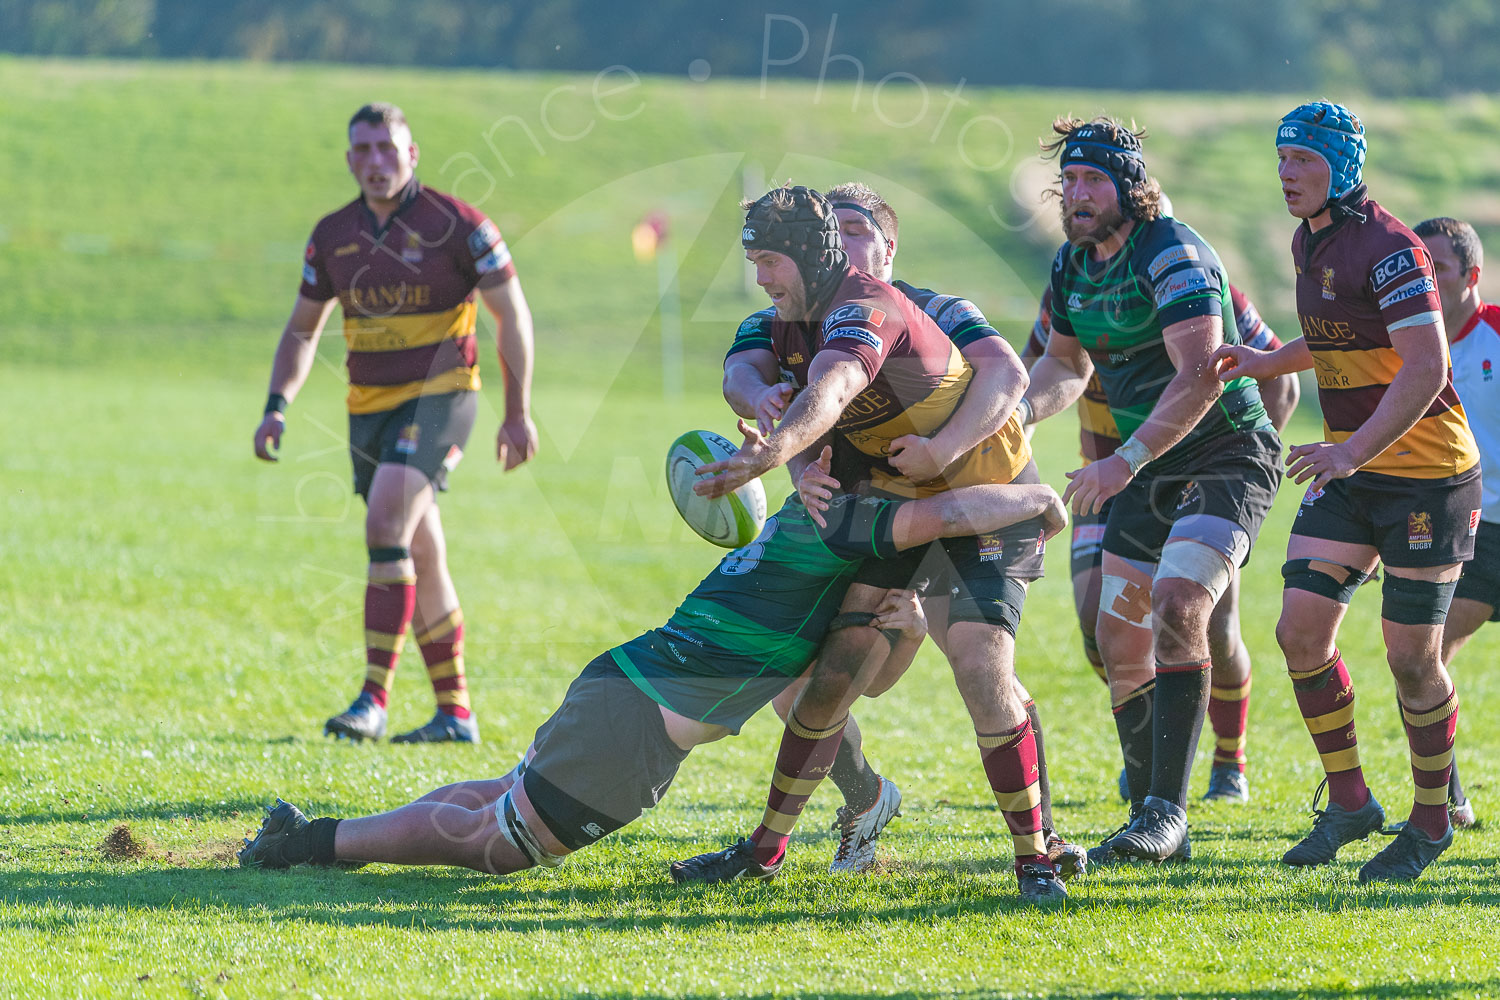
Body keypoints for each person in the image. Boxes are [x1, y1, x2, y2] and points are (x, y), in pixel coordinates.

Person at [237, 456, 1069, 898]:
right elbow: (953, 514)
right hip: (638, 728)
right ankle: (313, 843)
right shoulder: (856, 525)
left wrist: (911, 627)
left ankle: (316, 832)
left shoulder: (806, 511)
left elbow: (852, 683)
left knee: (497, 798)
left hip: (627, 684)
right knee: (497, 845)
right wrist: (1039, 499)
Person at [679, 185, 1068, 902]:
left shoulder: (891, 307)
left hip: (984, 501)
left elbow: (998, 376)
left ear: (884, 250)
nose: (763, 275)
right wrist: (768, 416)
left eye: (857, 232)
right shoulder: (791, 317)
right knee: (832, 673)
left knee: (983, 668)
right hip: (896, 506)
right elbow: (749, 373)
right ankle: (768, 848)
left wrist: (943, 447)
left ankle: (1037, 854)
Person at [1213, 102, 1480, 882]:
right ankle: (1352, 802)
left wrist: (1348, 452)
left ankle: (1430, 821)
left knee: (1411, 660)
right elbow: (1344, 335)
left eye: (1304, 160)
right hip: (1355, 470)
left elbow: (1426, 367)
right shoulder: (1311, 239)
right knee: (1300, 632)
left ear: (1343, 165)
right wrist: (1271, 363)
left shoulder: (1393, 250)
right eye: (1282, 159)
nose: (1287, 173)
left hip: (1427, 479)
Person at [1021, 117, 1282, 864]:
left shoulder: (1172, 251)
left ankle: (1168, 811)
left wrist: (1121, 461)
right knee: (1118, 641)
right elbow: (1064, 367)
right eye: (1069, 180)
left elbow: (1203, 375)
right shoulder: (1073, 265)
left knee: (1178, 606)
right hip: (1149, 466)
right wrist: (1014, 413)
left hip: (1227, 455)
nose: (1076, 193)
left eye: (1093, 180)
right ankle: (1149, 814)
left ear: (1129, 188)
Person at [252, 102, 538, 744]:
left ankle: (371, 700)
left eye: (387, 147)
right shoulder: (331, 235)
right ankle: (455, 713)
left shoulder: (459, 226)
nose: (376, 161)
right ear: (350, 159)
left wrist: (516, 414)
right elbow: (302, 331)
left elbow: (512, 317)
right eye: (363, 150)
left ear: (412, 154)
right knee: (420, 552)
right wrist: (276, 405)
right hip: (369, 410)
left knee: (385, 521)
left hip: (444, 396)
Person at [1021, 261, 1301, 803]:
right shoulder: (1077, 292)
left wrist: (1236, 482)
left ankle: (1228, 757)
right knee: (1099, 626)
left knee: (1207, 625)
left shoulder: (1204, 285)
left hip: (1199, 473)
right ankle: (1154, 752)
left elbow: (1283, 385)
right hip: (1107, 476)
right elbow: (1038, 373)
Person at [1412, 217, 1493, 829]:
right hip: (1471, 531)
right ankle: (1449, 805)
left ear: (1473, 275)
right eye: (1422, 272)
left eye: (1439, 271)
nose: (1430, 285)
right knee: (1419, 659)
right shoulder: (1408, 348)